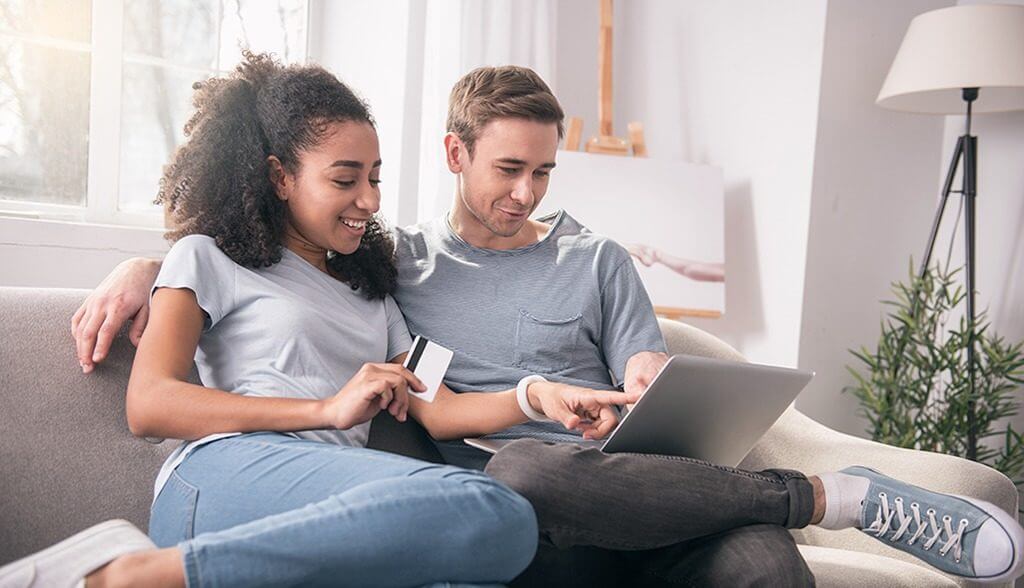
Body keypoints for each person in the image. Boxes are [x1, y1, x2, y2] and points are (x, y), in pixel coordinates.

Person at [66, 65, 1024, 586]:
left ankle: (799, 506)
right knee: (510, 487)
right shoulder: (314, 262)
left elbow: (466, 404)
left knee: (739, 564)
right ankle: (827, 497)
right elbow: (160, 395)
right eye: (505, 170)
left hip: (586, 495)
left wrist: (586, 388)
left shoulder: (393, 283)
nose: (524, 195)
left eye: (543, 174)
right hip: (318, 484)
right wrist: (144, 262)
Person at [0, 54, 640, 588]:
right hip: (222, 478)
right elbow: (151, 404)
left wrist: (537, 396)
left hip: (330, 508)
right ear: (280, 177)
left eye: (375, 178)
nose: (368, 200)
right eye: (344, 179)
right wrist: (324, 411)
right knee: (495, 508)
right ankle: (128, 576)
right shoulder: (207, 260)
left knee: (480, 559)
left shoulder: (375, 293)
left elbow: (439, 409)